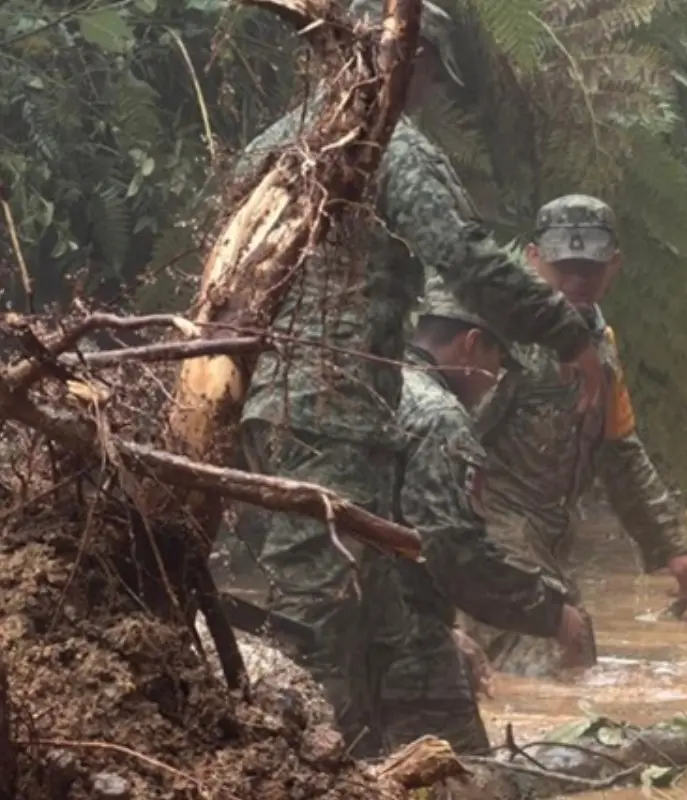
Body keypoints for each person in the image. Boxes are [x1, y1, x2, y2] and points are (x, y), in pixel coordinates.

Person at [218, 0, 604, 747]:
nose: (423, 95)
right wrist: (566, 333)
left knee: (344, 607)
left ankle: (352, 761)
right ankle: (291, 769)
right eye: (425, 77)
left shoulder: (269, 148)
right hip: (332, 413)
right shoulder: (390, 144)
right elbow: (463, 258)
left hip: (255, 413)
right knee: (321, 622)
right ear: (410, 62)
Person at [457, 194, 687, 677]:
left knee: (577, 655)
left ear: (613, 267)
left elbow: (620, 453)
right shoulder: (498, 338)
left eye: (589, 269)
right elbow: (445, 439)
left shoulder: (600, 347)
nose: (576, 281)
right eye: (564, 267)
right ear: (533, 259)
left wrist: (673, 548)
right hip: (491, 534)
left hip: (546, 538)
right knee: (547, 659)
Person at [344, 281, 588, 756]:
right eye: (498, 366)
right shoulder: (440, 417)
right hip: (403, 648)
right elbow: (456, 554)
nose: (495, 381)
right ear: (472, 345)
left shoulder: (367, 387)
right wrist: (551, 612)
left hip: (334, 630)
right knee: (469, 777)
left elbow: (391, 538)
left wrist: (451, 629)